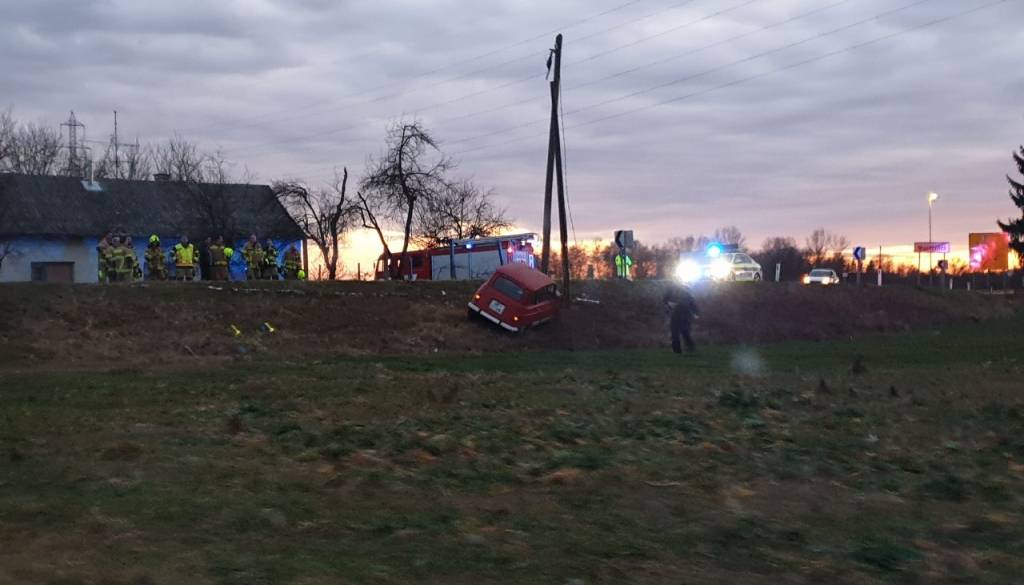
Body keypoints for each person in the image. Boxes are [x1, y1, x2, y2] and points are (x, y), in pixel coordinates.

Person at [663, 282, 699, 354]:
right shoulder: (673, 292)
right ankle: (678, 350)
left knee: (683, 332)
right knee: (676, 333)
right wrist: (668, 304)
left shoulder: (686, 294)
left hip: (683, 315)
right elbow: (665, 300)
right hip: (676, 315)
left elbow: (693, 304)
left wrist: (696, 313)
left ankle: (689, 347)